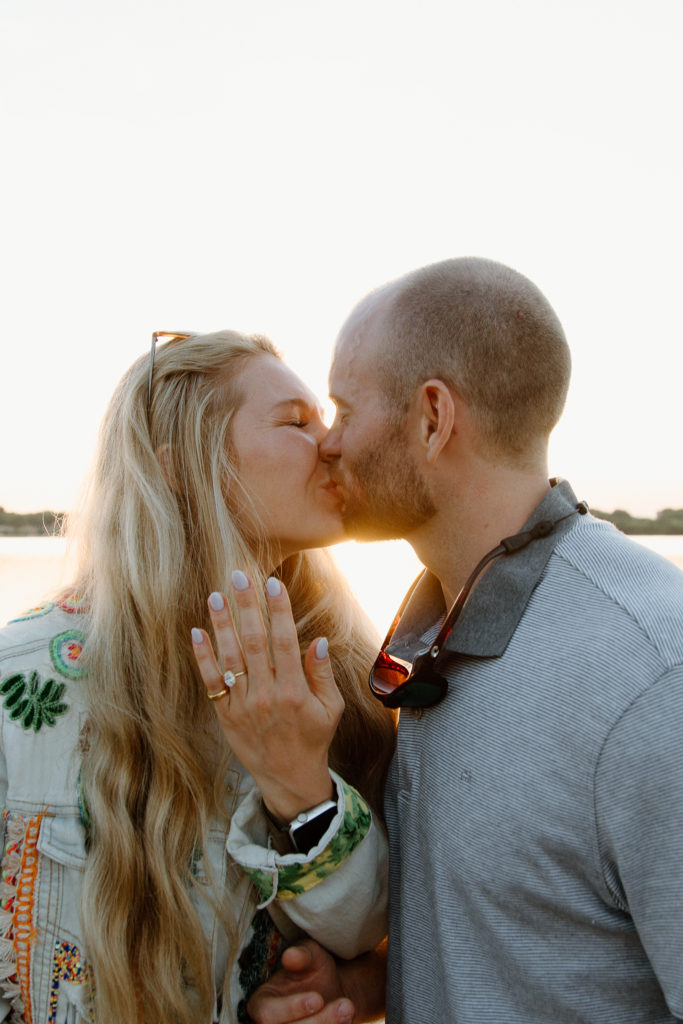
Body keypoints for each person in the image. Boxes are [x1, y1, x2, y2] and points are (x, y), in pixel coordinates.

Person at [248, 258, 683, 1024]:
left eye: (345, 410)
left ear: (432, 418)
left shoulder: (648, 674)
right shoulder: (427, 634)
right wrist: (373, 984)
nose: (329, 444)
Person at [0, 330, 395, 1024]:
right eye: (296, 423)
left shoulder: (336, 675)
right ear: (182, 466)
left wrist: (297, 781)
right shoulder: (20, 679)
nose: (333, 444)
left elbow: (364, 933)